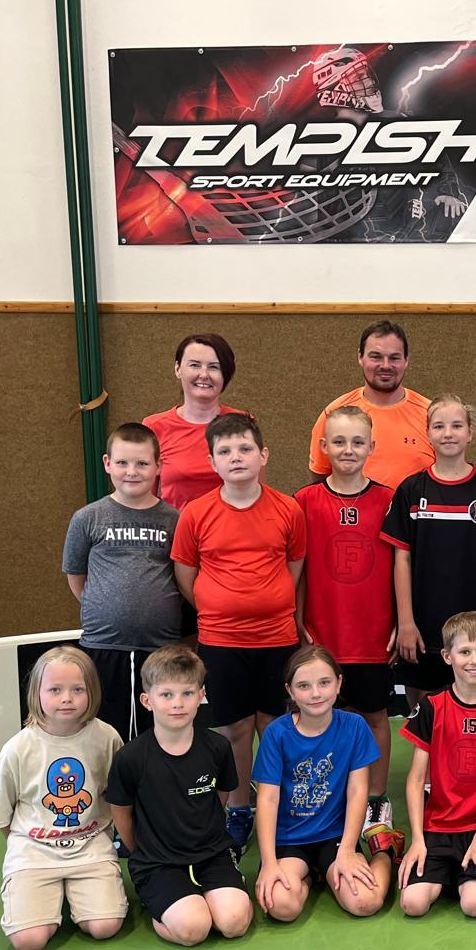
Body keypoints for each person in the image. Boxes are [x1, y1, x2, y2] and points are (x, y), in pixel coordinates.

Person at [171, 413, 307, 852]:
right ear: (212, 462)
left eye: (245, 448)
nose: (236, 457)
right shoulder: (196, 513)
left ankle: (282, 807)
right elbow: (186, 575)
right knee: (234, 731)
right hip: (221, 642)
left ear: (263, 455)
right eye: (225, 451)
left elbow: (294, 568)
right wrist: (218, 607)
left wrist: (268, 603)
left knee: (276, 727)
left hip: (277, 639)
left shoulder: (288, 509)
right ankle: (239, 810)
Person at [0, 646, 127, 950]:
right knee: (28, 941)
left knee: (104, 927)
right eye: (55, 690)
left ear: (92, 691)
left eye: (78, 689)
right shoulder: (17, 749)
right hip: (34, 852)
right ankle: (41, 897)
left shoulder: (107, 738)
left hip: (90, 848)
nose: (66, 698)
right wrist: (32, 844)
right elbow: (2, 816)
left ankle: (77, 893)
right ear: (37, 693)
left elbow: (117, 797)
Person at [295, 406, 399, 832]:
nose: (348, 449)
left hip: (374, 633)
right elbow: (298, 569)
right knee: (324, 718)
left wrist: (401, 620)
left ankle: (376, 798)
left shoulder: (389, 499)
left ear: (372, 446)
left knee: (375, 716)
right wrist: (297, 619)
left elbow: (402, 566)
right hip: (322, 634)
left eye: (357, 442)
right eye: (338, 442)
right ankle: (332, 794)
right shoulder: (304, 501)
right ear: (323, 447)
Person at [105, 645, 252, 946]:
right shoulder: (130, 758)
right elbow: (120, 813)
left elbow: (222, 795)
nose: (178, 703)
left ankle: (203, 897)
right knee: (194, 929)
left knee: (234, 923)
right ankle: (162, 906)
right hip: (158, 862)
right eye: (166, 694)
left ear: (201, 695)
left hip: (212, 853)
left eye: (187, 693)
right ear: (147, 700)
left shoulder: (217, 747)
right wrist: (143, 850)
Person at [382, 395, 476, 703]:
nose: (448, 433)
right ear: (427, 433)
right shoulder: (411, 489)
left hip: (474, 625)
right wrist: (405, 621)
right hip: (422, 627)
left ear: (470, 432)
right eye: (439, 426)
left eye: (457, 426)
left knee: (472, 705)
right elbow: (401, 559)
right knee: (423, 711)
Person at [397, 612, 476, 919]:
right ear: (447, 656)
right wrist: (417, 840)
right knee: (412, 904)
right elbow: (416, 780)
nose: (474, 660)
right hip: (439, 823)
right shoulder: (431, 705)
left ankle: (470, 873)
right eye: (464, 651)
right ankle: (451, 872)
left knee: (474, 905)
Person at [252, 645, 392, 922]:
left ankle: (386, 851)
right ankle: (313, 875)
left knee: (365, 902)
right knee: (281, 907)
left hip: (336, 836)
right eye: (304, 686)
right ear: (290, 691)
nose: (315, 693)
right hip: (289, 839)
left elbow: (358, 791)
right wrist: (268, 864)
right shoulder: (277, 733)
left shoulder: (354, 726)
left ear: (338, 683)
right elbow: (267, 799)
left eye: (324, 683)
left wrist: (348, 850)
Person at [63, 422, 182, 741]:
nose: (132, 471)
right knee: (104, 735)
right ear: (107, 464)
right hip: (103, 646)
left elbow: (182, 577)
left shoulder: (174, 520)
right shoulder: (87, 518)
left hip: (160, 647)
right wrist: (105, 607)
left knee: (160, 735)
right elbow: (76, 576)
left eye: (142, 463)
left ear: (158, 466)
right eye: (122, 462)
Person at [308, 319, 432, 487]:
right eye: (376, 357)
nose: (386, 365)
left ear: (406, 360)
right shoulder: (334, 414)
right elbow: (319, 484)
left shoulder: (432, 416)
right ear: (360, 357)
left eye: (394, 358)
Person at [143, 333, 252, 511]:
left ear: (226, 374)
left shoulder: (244, 423)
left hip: (233, 527)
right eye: (194, 365)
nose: (204, 374)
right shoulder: (154, 427)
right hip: (176, 527)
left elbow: (256, 495)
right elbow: (145, 501)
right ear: (178, 368)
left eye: (214, 367)